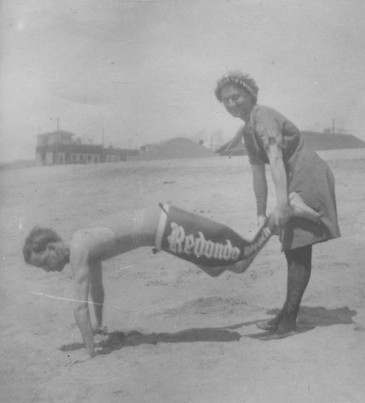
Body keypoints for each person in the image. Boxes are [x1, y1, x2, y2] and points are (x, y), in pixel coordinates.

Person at [23, 200, 319, 359]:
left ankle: (287, 210)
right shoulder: (81, 243)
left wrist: (89, 351)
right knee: (217, 269)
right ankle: (280, 221)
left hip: (168, 228)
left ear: (50, 247)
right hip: (165, 229)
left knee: (240, 261)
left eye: (42, 264)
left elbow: (78, 307)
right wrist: (98, 328)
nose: (47, 271)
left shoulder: (78, 250)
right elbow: (96, 289)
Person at [215, 71, 340, 338]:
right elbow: (257, 173)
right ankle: (286, 315)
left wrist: (281, 204)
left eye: (236, 97)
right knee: (291, 248)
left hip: (307, 177)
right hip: (294, 180)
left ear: (250, 94)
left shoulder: (262, 118)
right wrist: (261, 212)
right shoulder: (249, 128)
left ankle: (288, 322)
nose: (231, 103)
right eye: (225, 100)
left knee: (297, 248)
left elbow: (274, 159)